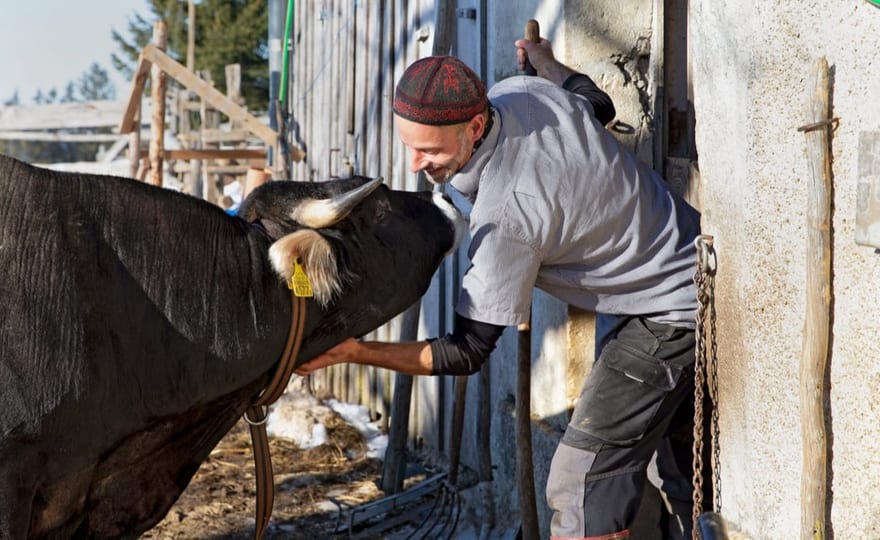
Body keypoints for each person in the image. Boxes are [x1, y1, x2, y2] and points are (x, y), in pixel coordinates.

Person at [296, 35, 701, 540]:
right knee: (671, 465)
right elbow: (595, 103)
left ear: (476, 126)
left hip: (667, 312)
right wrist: (546, 60)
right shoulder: (523, 92)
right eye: (409, 145)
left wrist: (353, 351)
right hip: (663, 271)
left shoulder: (506, 215)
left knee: (581, 480)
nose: (415, 165)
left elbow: (464, 352)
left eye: (429, 150)